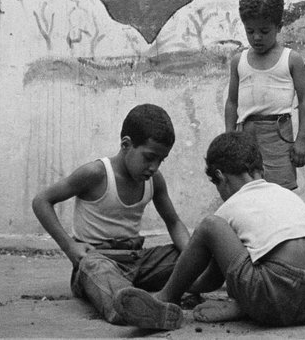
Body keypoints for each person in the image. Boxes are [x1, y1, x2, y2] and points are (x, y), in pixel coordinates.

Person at [114, 131, 305, 328]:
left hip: (274, 297)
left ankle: (164, 298)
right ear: (261, 170)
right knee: (257, 258)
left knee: (211, 225)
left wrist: (187, 286)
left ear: (220, 177)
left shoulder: (230, 207)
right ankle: (243, 307)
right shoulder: (287, 195)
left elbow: (212, 279)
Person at [30, 103, 190, 327]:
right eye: (149, 157)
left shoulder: (155, 180)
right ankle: (129, 308)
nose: (154, 167)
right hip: (98, 260)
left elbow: (173, 222)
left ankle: (146, 302)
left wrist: (192, 257)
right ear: (126, 144)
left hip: (137, 261)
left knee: (188, 252)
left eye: (160, 160)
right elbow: (41, 201)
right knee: (96, 267)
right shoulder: (95, 174)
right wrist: (69, 246)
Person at [225, 0, 305, 190]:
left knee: (280, 191)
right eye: (250, 31)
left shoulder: (291, 59)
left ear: (279, 26)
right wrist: (229, 137)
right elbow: (232, 102)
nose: (256, 37)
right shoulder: (239, 61)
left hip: (279, 135)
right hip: (245, 134)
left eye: (264, 31)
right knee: (247, 189)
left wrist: (301, 140)